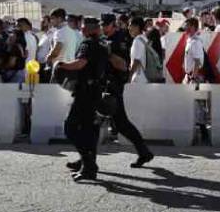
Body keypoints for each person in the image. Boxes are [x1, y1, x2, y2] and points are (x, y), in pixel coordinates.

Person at [55, 16, 109, 181]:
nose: (82, 30)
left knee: (70, 128)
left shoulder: (87, 44)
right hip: (96, 91)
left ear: (90, 29)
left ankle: (88, 164)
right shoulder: (103, 45)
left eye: (85, 27)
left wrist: (61, 65)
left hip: (85, 92)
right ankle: (88, 165)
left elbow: (81, 63)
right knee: (89, 130)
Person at [99, 13, 153, 167]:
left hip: (113, 87)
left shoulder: (120, 39)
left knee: (119, 123)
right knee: (119, 124)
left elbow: (124, 64)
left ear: (113, 25)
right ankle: (144, 152)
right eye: (102, 25)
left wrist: (108, 54)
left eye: (106, 24)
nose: (103, 27)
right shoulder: (105, 39)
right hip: (105, 85)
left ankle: (85, 160)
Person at [181, 17, 205, 83]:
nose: (185, 28)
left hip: (193, 77)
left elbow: (197, 62)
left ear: (193, 27)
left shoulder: (195, 42)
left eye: (187, 25)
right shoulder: (190, 41)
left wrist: (193, 78)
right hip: (189, 76)